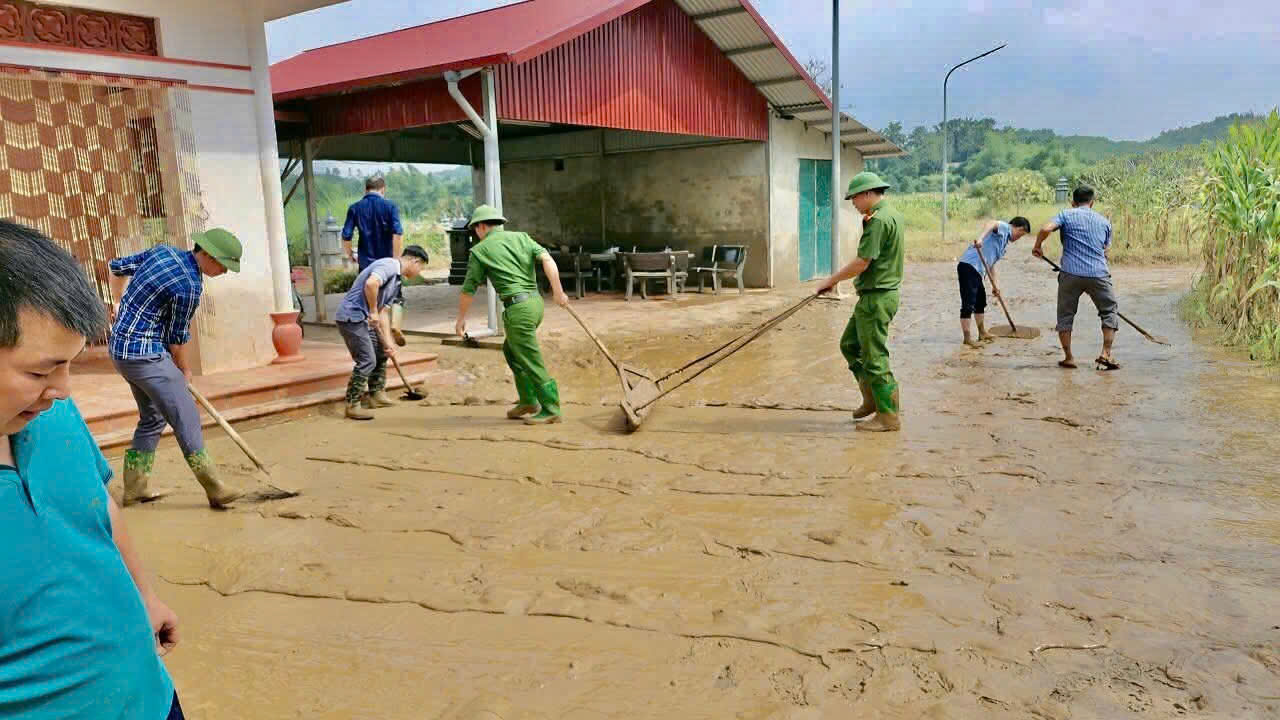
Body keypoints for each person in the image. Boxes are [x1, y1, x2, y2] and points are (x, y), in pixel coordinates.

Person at [1, 220, 185, 719]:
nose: (62, 389)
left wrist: (145, 596)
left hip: (150, 698)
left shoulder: (52, 412)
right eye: (40, 370)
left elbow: (97, 504)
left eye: (70, 364)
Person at [107, 229, 245, 509]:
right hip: (146, 355)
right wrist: (184, 370)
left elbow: (115, 266)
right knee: (186, 417)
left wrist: (118, 302)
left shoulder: (162, 252)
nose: (224, 272)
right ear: (205, 254)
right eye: (222, 265)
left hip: (121, 351)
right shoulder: (189, 286)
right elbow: (176, 337)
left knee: (153, 418)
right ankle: (215, 488)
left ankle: (135, 489)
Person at [454, 205, 570, 426]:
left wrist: (461, 319)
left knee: (529, 357)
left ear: (481, 226)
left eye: (474, 230)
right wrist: (558, 291)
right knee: (511, 350)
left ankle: (551, 407)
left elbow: (468, 289)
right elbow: (547, 259)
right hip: (535, 305)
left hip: (518, 310)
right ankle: (528, 401)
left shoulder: (480, 250)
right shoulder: (522, 238)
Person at [816, 171, 905, 432]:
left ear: (867, 194)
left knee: (875, 357)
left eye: (854, 198)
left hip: (877, 298)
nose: (853, 203)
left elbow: (862, 262)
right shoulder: (893, 214)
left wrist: (830, 280)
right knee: (850, 345)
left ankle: (888, 416)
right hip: (876, 296)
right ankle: (872, 400)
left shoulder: (878, 221)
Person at [335, 245, 430, 420]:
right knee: (367, 360)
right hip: (352, 317)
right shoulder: (388, 265)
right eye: (421, 267)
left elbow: (383, 312)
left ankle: (376, 395)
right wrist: (372, 311)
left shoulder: (397, 280)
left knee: (381, 352)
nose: (419, 272)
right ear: (415, 261)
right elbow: (371, 284)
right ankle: (352, 404)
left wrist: (389, 343)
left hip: (366, 320)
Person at [1032, 185, 1120, 370]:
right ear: (1092, 203)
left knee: (1065, 316)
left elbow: (1045, 228)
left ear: (1073, 202)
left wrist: (1038, 245)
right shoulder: (1104, 222)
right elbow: (1105, 251)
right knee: (1109, 311)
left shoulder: (1066, 215)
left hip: (1070, 273)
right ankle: (1106, 353)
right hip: (1099, 274)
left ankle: (1069, 357)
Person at [342, 175, 408, 346]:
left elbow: (346, 235)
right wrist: (396, 258)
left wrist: (350, 254)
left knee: (369, 301)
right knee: (395, 296)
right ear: (383, 189)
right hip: (387, 262)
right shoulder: (390, 206)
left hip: (366, 264)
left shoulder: (355, 208)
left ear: (365, 189)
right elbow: (397, 233)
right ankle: (396, 325)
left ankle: (374, 337)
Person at [957, 216, 1031, 347]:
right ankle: (967, 338)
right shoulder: (1005, 228)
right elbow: (991, 223)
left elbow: (991, 266)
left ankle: (982, 333)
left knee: (980, 302)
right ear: (1018, 228)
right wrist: (980, 238)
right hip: (969, 265)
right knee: (968, 303)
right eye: (1020, 235)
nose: (1018, 239)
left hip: (978, 271)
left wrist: (996, 286)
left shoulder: (1003, 244)